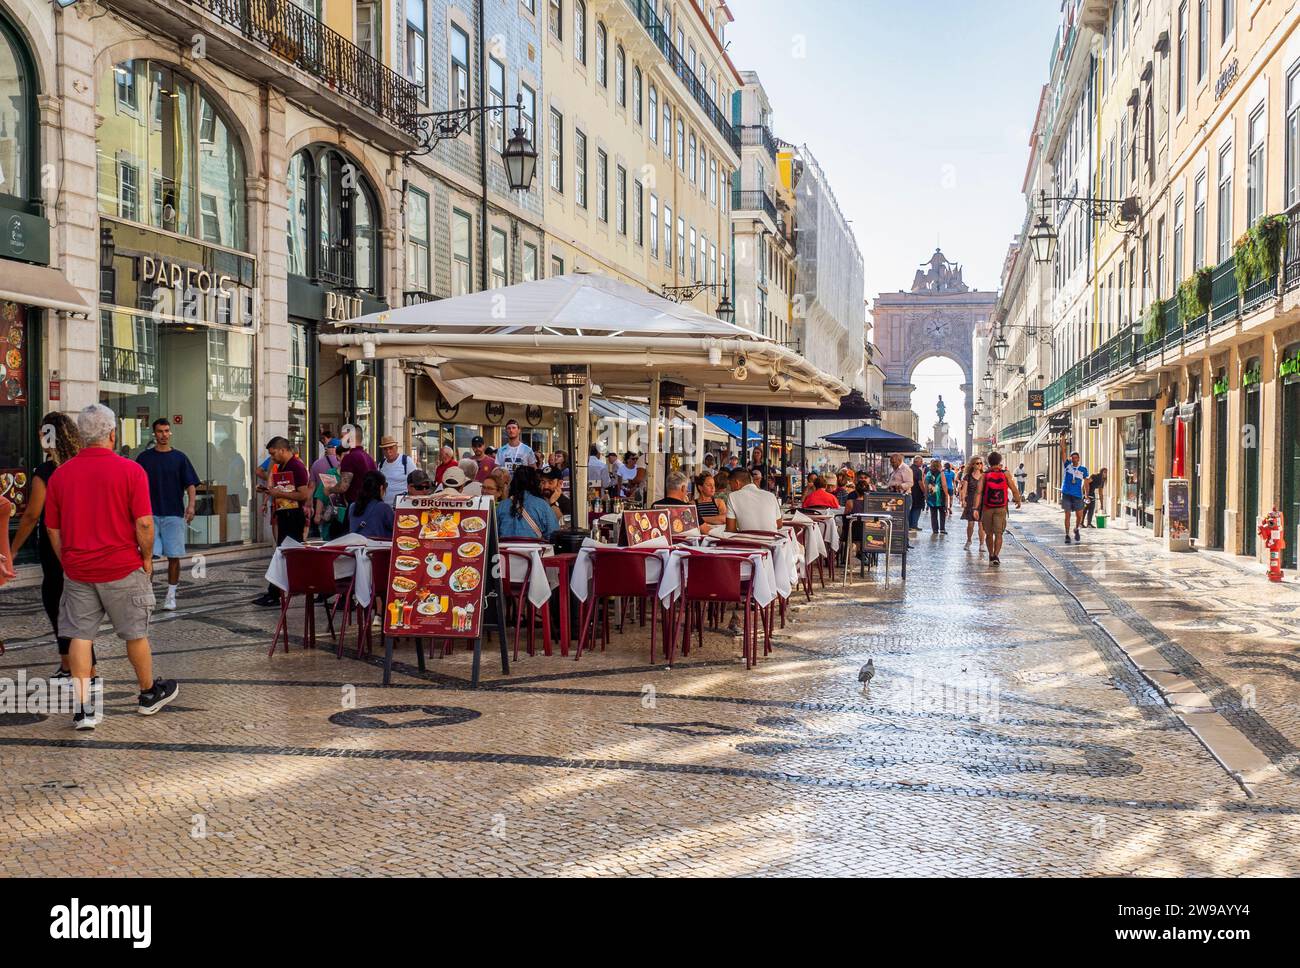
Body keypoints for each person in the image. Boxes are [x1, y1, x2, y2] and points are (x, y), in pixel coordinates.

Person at [44, 404, 179, 729]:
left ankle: (83, 709)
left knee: (79, 635)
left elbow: (53, 528)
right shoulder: (131, 471)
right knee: (135, 634)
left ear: (80, 436)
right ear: (113, 434)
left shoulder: (61, 474)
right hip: (122, 567)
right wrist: (146, 558)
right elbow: (144, 524)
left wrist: (68, 561)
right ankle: (148, 694)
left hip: (78, 570)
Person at [9, 411, 98, 681]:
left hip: (55, 546)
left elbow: (32, 515)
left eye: (42, 434)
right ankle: (69, 666)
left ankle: (85, 671)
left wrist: (12, 551)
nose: (39, 439)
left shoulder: (45, 472)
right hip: (84, 543)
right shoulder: (83, 467)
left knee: (60, 606)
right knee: (77, 609)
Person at [136, 418, 200, 611]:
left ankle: (171, 595)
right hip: (149, 515)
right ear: (153, 434)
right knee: (147, 557)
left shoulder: (180, 458)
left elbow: (190, 484)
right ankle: (149, 594)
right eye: (160, 431)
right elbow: (134, 485)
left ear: (170, 433)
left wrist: (191, 506)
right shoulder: (144, 458)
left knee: (174, 556)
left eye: (166, 431)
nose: (164, 435)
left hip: (173, 513)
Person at [252, 437, 311, 607]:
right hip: (285, 514)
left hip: (293, 516)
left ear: (282, 450)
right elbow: (284, 491)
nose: (272, 458)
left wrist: (279, 494)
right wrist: (268, 491)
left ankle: (279, 592)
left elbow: (303, 494)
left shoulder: (297, 467)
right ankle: (275, 592)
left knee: (289, 555)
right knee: (284, 555)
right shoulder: (283, 466)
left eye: (273, 454)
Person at [974, 451, 1022, 566]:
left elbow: (979, 492)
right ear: (999, 461)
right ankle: (996, 555)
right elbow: (1013, 488)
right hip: (1001, 507)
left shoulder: (984, 475)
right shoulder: (1005, 474)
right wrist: (1018, 500)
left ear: (988, 462)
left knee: (989, 533)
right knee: (999, 534)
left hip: (987, 508)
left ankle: (991, 555)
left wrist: (975, 508)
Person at [497, 465, 554, 540]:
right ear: (535, 483)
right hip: (534, 550)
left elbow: (494, 533)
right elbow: (552, 534)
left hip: (505, 550)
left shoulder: (502, 506)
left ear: (513, 482)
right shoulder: (542, 505)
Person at [329, 424, 375, 508]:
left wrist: (329, 489)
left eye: (343, 437)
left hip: (356, 507)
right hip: (371, 506)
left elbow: (343, 487)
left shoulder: (349, 458)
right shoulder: (369, 458)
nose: (341, 440)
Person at [725, 468, 782, 532]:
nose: (730, 488)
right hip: (771, 540)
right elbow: (779, 524)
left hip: (748, 541)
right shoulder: (771, 495)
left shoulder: (732, 496)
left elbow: (730, 529)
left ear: (737, 483)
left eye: (730, 484)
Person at [310, 440, 345, 541]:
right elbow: (321, 495)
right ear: (338, 456)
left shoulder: (354, 473)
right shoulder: (331, 473)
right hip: (332, 519)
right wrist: (317, 514)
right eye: (345, 455)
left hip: (347, 519)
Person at [347, 470, 395, 539]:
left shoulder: (352, 507)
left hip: (355, 547)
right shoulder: (384, 508)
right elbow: (396, 529)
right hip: (377, 548)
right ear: (381, 488)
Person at [1060, 436, 1089, 544]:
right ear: (1070, 459)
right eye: (1072, 458)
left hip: (1077, 495)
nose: (1074, 459)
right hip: (1067, 493)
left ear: (1079, 459)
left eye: (1076, 457)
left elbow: (1086, 482)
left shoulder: (1083, 469)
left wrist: (1086, 495)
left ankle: (1076, 528)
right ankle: (1067, 534)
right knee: (1067, 514)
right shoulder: (1067, 466)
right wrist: (1062, 438)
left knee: (1079, 515)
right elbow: (1062, 450)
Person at [377, 435, 413, 504]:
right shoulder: (381, 464)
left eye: (391, 448)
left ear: (396, 448)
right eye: (385, 449)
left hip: (402, 506)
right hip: (385, 506)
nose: (388, 451)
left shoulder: (406, 461)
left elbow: (416, 482)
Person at [960, 457, 986, 551]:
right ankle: (969, 540)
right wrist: (963, 500)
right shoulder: (968, 476)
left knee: (981, 525)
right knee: (970, 524)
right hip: (971, 501)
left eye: (980, 463)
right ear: (972, 465)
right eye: (977, 463)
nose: (979, 465)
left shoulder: (984, 476)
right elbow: (964, 490)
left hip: (982, 502)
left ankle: (982, 544)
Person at [925, 458, 951, 535]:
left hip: (931, 495)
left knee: (933, 514)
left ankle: (935, 530)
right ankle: (942, 529)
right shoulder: (941, 473)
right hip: (940, 496)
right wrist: (946, 495)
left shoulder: (928, 474)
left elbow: (926, 485)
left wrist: (926, 496)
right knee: (942, 513)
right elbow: (944, 485)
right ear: (939, 466)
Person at [908, 456, 927, 533]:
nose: (922, 463)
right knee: (917, 508)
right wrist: (924, 491)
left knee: (910, 508)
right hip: (917, 493)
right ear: (917, 462)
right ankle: (914, 525)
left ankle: (909, 525)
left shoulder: (909, 468)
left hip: (909, 491)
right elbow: (920, 483)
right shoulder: (918, 471)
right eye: (921, 461)